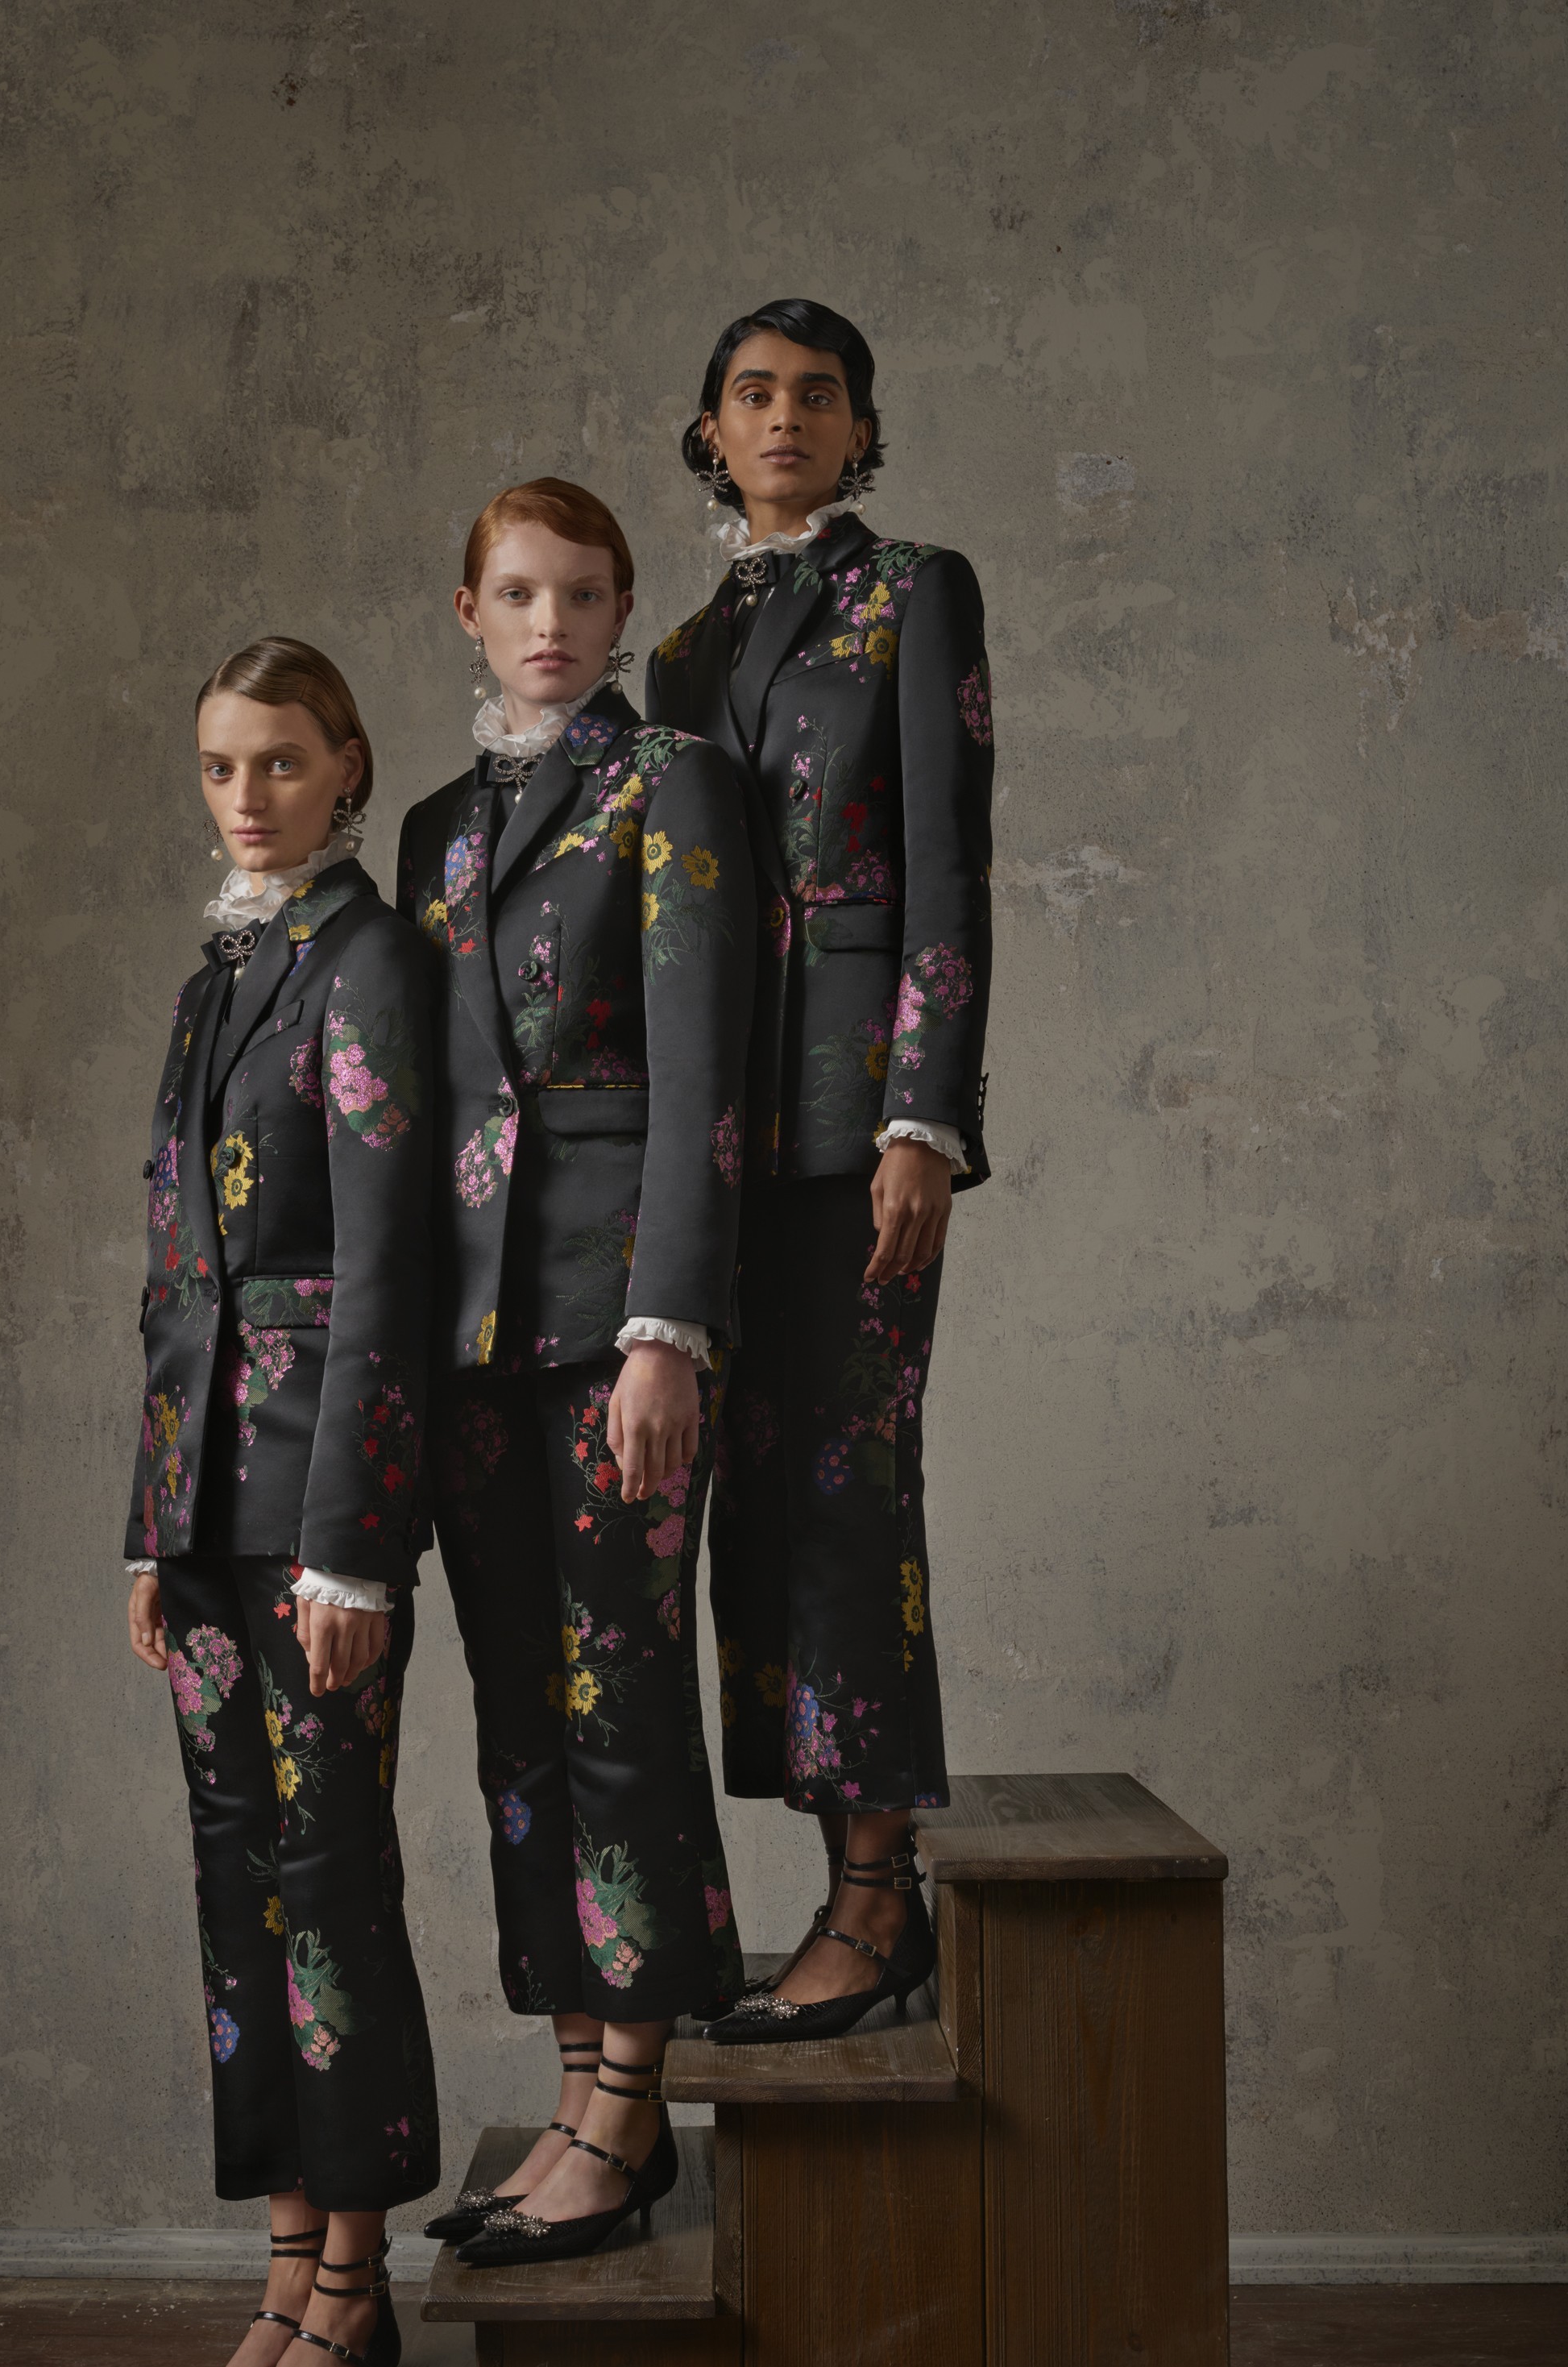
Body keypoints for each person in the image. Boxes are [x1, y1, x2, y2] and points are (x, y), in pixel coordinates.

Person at [398, 479, 755, 2261]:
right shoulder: (430, 827)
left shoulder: (671, 780)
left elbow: (704, 1073)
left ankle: (631, 2107)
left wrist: (665, 1327)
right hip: (466, 1330)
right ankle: (570, 2090)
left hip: (617, 1320)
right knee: (517, 1712)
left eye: (588, 594)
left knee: (622, 1695)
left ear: (623, 612)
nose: (554, 624)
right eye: (522, 593)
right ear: (467, 609)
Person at [645, 300, 993, 2046]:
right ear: (710, 431)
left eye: (820, 394)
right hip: (721, 1143)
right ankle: (826, 1882)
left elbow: (948, 863)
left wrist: (923, 1119)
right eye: (754, 394)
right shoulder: (679, 652)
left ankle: (880, 1896)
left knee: (855, 1491)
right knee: (760, 1506)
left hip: (862, 1126)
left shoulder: (915, 590)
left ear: (862, 429)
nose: (786, 418)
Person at [125, 637, 439, 2367]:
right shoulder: (215, 977)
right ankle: (285, 2271)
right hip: (200, 1516)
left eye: (282, 763)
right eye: (221, 767)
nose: (248, 798)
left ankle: (359, 2293)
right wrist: (146, 1527)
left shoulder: (373, 961)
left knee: (329, 1882)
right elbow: (174, 1274)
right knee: (238, 1889)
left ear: (350, 769)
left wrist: (355, 1552)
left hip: (318, 1509)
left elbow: (390, 1265)